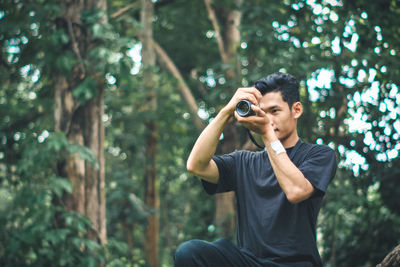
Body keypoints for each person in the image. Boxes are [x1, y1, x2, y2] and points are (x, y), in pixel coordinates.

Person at [174, 72, 337, 267]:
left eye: (275, 111)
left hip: (297, 264)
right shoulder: (244, 161)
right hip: (250, 262)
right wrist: (226, 112)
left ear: (296, 110)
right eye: (263, 112)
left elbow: (296, 191)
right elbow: (196, 166)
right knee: (189, 252)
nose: (268, 119)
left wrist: (268, 135)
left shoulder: (319, 155)